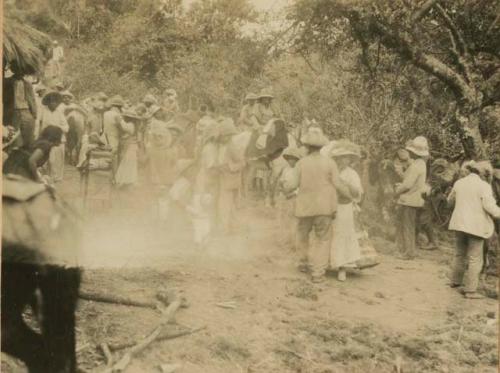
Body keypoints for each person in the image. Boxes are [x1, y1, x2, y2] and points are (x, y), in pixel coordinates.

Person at [294, 127, 348, 283]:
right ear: (322, 146)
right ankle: (318, 273)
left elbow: (291, 185)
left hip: (305, 207)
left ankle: (303, 263)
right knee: (322, 239)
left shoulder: (301, 163)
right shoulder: (330, 163)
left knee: (302, 235)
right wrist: (351, 195)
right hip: (325, 207)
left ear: (307, 146)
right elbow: (338, 184)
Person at [447, 161, 500, 299]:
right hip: (476, 226)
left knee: (459, 254)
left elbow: (450, 202)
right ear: (484, 174)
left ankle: (455, 281)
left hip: (459, 224)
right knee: (475, 258)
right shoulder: (484, 186)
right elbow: (490, 207)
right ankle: (470, 290)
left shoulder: (460, 183)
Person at [328, 140, 363, 282]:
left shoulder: (352, 174)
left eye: (346, 158)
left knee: (343, 234)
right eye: (340, 158)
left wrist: (345, 185)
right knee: (331, 233)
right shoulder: (333, 172)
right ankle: (331, 263)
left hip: (345, 207)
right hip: (331, 205)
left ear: (349, 160)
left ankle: (342, 268)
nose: (343, 160)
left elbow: (357, 193)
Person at [394, 136, 429, 260]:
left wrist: (397, 191)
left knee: (406, 226)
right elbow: (411, 182)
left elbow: (408, 185)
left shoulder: (415, 166)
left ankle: (409, 252)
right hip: (415, 199)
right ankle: (407, 250)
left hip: (408, 200)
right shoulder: (421, 164)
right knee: (409, 225)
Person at [215, 118, 245, 233]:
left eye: (227, 136)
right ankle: (232, 227)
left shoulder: (232, 147)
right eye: (223, 136)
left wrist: (230, 168)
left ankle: (224, 228)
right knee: (229, 205)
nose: (225, 138)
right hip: (223, 177)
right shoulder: (219, 146)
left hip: (230, 179)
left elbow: (242, 162)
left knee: (225, 204)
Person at [272, 147, 302, 250]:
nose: (290, 161)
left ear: (297, 160)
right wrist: (281, 189)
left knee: (294, 220)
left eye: (293, 159)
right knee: (284, 219)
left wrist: (293, 193)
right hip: (284, 197)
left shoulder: (299, 171)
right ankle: (284, 241)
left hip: (295, 198)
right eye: (289, 159)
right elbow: (281, 182)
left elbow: (301, 186)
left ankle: (294, 242)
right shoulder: (285, 169)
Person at [39, 91, 69, 182]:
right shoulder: (43, 111)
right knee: (48, 160)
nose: (53, 103)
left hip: (58, 139)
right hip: (47, 139)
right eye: (51, 101)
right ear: (48, 102)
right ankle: (47, 176)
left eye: (55, 102)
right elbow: (39, 124)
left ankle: (57, 177)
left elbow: (66, 127)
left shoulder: (59, 113)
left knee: (59, 159)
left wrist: (57, 128)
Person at [114, 108, 142, 188]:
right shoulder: (133, 125)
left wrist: (119, 119)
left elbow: (123, 126)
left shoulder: (130, 125)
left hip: (130, 146)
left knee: (127, 163)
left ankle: (122, 181)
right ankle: (127, 181)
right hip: (131, 146)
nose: (125, 118)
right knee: (129, 164)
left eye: (126, 117)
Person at [103, 95, 125, 181]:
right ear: (119, 107)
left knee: (107, 155)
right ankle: (114, 177)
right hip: (114, 137)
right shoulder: (117, 115)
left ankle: (109, 176)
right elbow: (121, 128)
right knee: (114, 157)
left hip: (106, 136)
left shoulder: (105, 113)